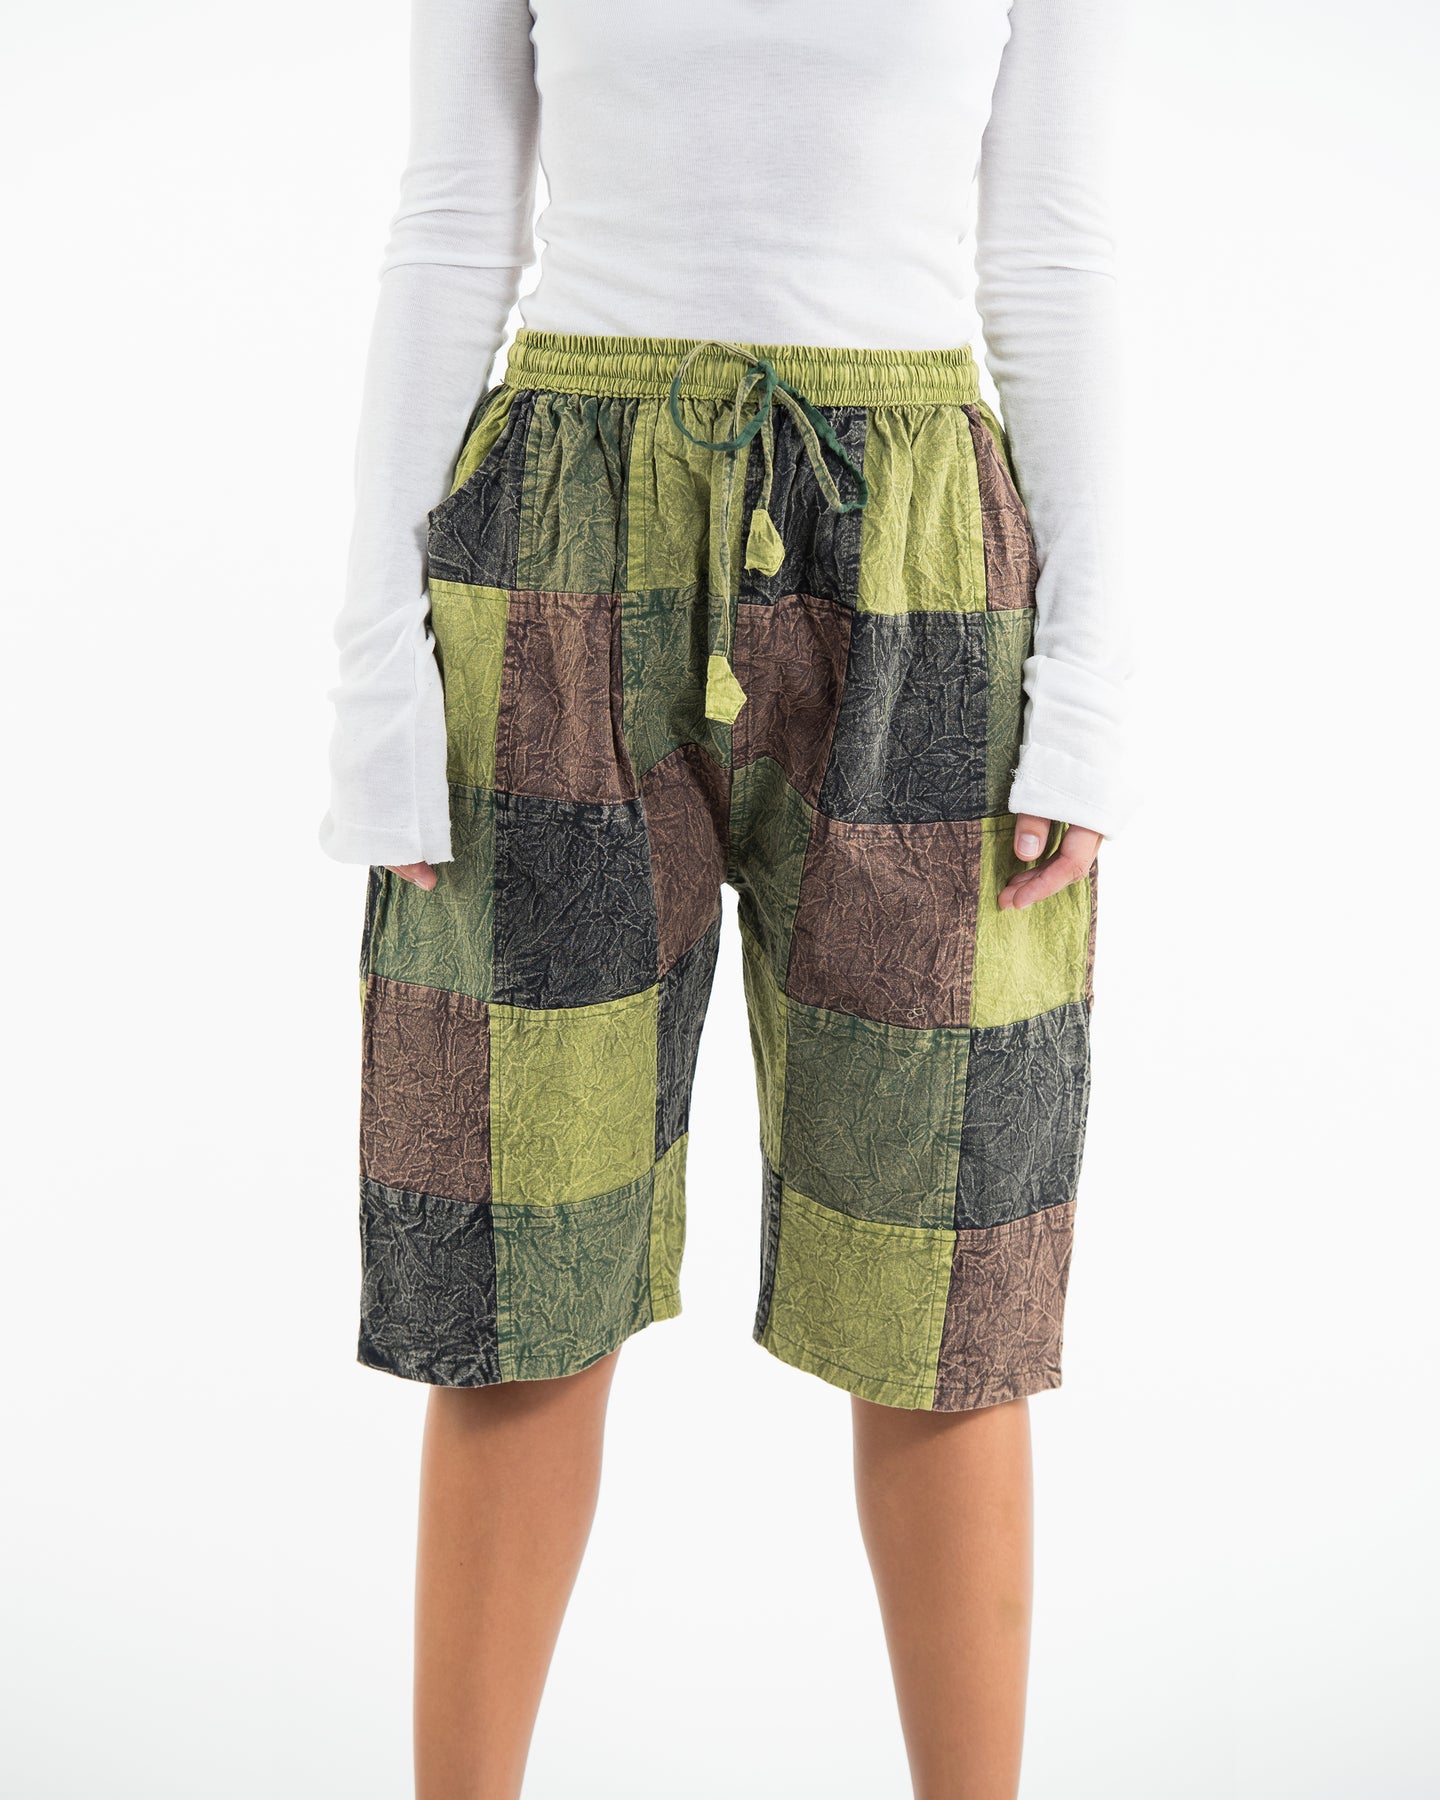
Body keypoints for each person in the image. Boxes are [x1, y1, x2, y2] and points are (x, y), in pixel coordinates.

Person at [321, 2, 1134, 1794]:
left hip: (926, 562)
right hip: (559, 551)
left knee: (943, 1292)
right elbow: (452, 214)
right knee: (521, 1266)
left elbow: (1052, 249)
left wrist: (1094, 685)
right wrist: (376, 671)